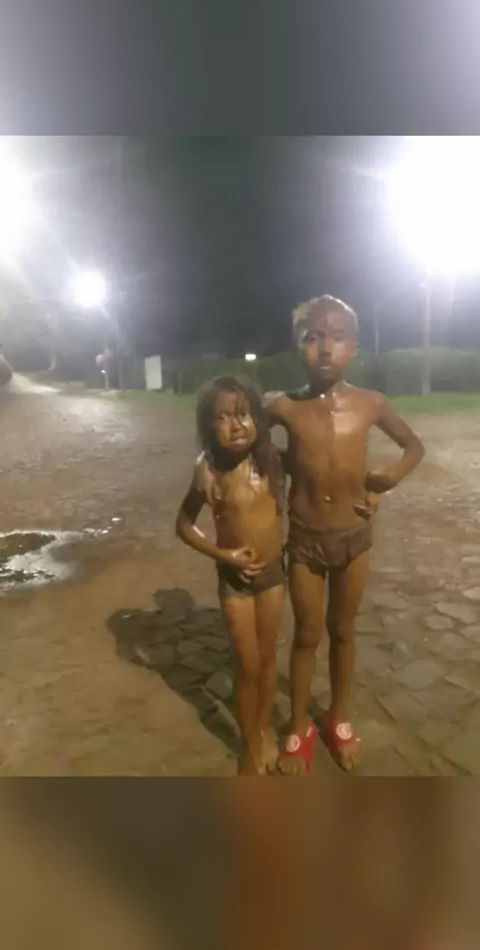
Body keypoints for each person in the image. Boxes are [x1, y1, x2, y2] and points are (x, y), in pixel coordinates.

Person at [268, 295, 425, 774]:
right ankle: (298, 724)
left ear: (353, 346)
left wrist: (386, 480)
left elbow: (413, 446)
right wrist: (279, 466)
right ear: (297, 346)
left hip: (354, 538)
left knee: (343, 630)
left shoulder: (370, 403)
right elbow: (248, 445)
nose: (324, 348)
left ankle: (338, 718)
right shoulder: (283, 407)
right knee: (306, 634)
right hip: (305, 540)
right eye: (312, 337)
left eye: (337, 337)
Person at [176, 374, 285, 775]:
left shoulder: (273, 461)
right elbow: (184, 525)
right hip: (235, 583)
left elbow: (310, 446)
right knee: (247, 665)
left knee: (268, 661)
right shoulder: (212, 475)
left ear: (257, 418)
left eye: (243, 414)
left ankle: (265, 729)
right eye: (222, 418)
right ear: (209, 428)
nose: (235, 425)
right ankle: (250, 743)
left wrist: (368, 491)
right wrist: (224, 555)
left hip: (273, 577)